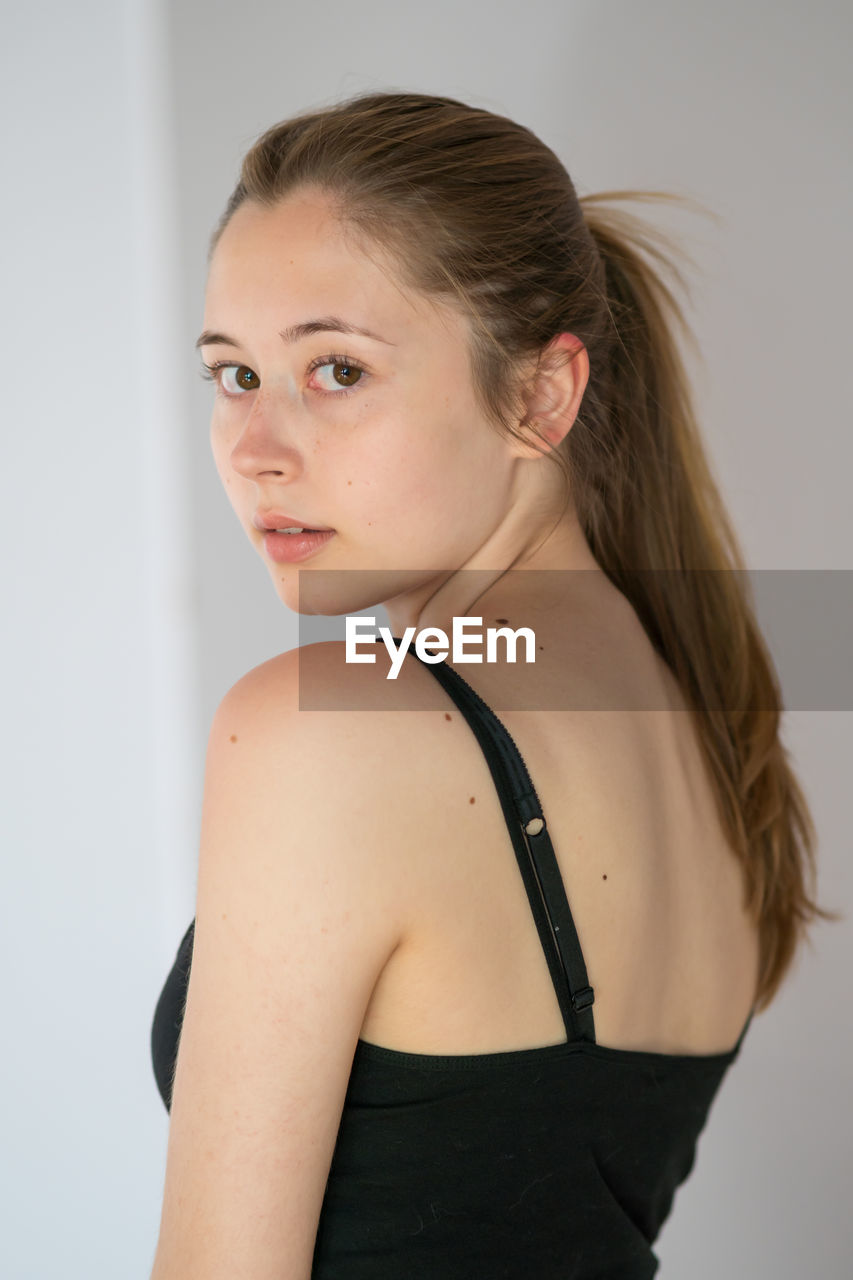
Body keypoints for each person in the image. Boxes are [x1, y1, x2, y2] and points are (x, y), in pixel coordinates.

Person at [148, 91, 836, 1279]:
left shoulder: (326, 725)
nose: (256, 445)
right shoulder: (699, 713)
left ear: (538, 397)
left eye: (337, 368)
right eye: (234, 374)